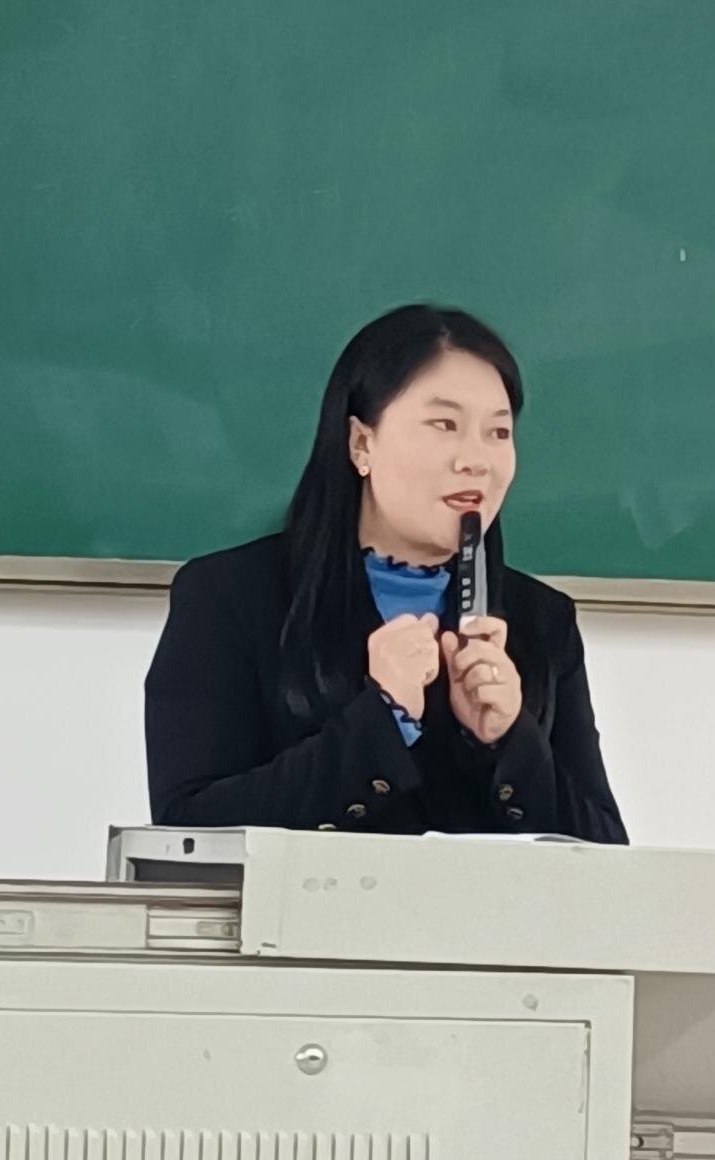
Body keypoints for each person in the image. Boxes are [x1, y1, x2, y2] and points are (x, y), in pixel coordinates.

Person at [144, 304, 627, 843]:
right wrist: (383, 717)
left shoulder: (541, 621)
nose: (477, 460)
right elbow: (187, 827)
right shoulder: (230, 596)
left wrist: (511, 739)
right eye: (444, 425)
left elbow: (605, 854)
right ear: (361, 444)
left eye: (498, 432)